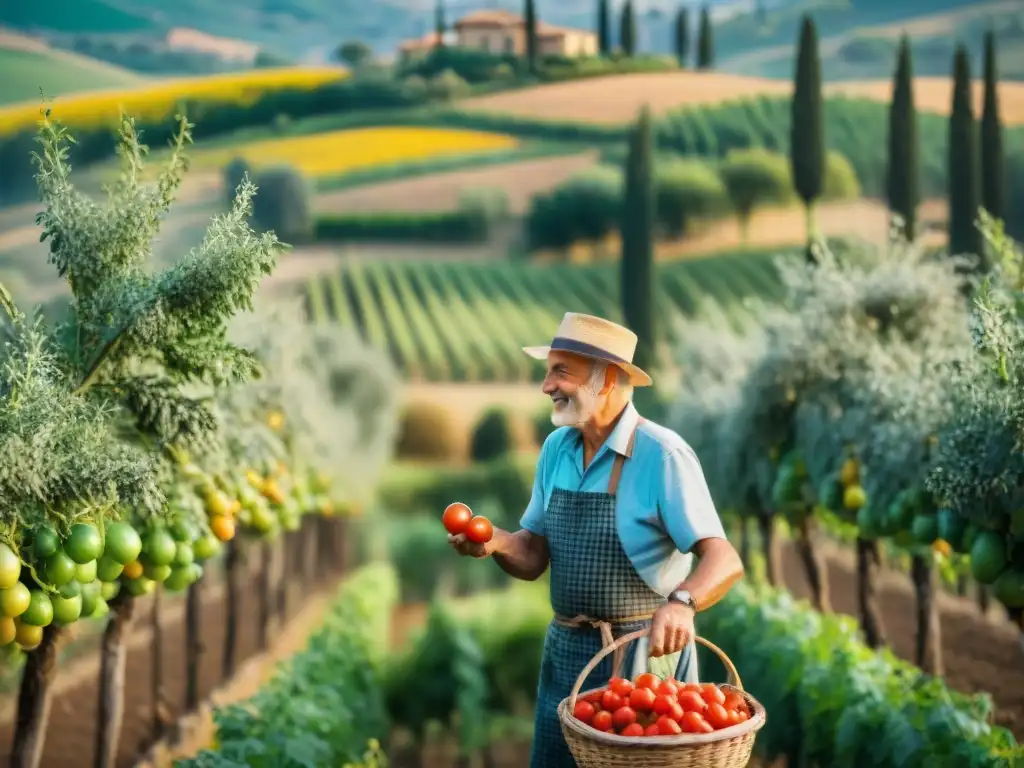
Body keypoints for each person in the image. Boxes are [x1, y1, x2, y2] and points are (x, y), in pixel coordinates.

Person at [449, 312, 744, 768]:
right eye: (548, 372)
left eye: (559, 372)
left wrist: (683, 602)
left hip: (643, 664)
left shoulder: (662, 455)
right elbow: (533, 554)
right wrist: (496, 544)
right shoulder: (556, 450)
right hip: (566, 655)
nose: (546, 386)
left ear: (606, 380)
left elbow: (724, 559)